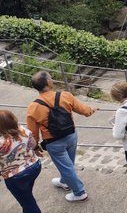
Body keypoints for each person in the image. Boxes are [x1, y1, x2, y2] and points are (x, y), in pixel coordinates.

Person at [26, 70, 97, 202]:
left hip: (53, 142)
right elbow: (85, 111)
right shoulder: (65, 95)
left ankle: (79, 192)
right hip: (71, 135)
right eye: (51, 78)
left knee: (66, 166)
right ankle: (67, 183)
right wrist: (92, 109)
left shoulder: (33, 107)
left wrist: (35, 148)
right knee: (68, 164)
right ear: (48, 82)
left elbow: (33, 132)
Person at [0, 110, 51, 213]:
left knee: (27, 200)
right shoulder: (23, 130)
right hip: (34, 167)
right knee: (26, 195)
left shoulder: (1, 142)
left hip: (15, 176)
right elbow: (33, 144)